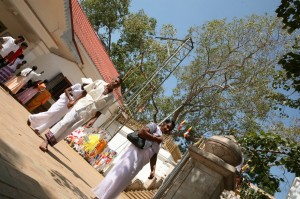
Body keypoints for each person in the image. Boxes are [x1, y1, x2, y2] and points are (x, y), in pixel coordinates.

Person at [92, 119, 175, 199]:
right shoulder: (154, 127)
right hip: (131, 156)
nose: (167, 129)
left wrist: (153, 170)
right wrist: (156, 139)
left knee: (121, 183)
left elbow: (154, 154)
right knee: (116, 176)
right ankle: (99, 196)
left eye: (169, 129)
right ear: (164, 123)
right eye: (167, 126)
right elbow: (142, 132)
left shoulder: (160, 141)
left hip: (138, 165)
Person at [39, 77, 122, 152]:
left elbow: (101, 111)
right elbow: (84, 92)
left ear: (117, 87)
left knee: (69, 129)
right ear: (111, 79)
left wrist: (93, 120)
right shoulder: (99, 82)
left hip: (88, 114)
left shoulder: (111, 98)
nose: (115, 83)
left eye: (117, 83)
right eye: (115, 80)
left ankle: (50, 142)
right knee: (65, 122)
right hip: (80, 105)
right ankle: (46, 140)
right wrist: (74, 101)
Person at [27, 78, 93, 134]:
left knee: (55, 118)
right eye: (87, 84)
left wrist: (72, 102)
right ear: (84, 83)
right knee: (52, 112)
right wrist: (70, 99)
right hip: (65, 99)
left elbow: (79, 99)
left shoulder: (85, 92)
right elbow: (66, 90)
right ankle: (32, 118)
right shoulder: (78, 85)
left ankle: (39, 130)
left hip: (70, 105)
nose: (87, 85)